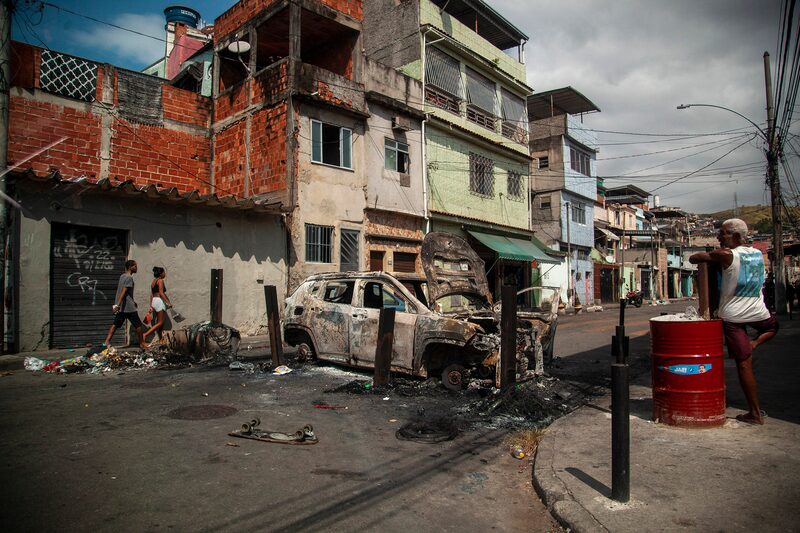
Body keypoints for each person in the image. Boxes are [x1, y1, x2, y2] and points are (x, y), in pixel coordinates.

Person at [689, 218, 778, 425]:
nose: (719, 236)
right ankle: (753, 344)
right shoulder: (757, 252)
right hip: (759, 312)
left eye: (724, 233)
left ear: (736, 237)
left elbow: (695, 258)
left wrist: (708, 256)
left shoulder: (725, 254)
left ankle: (755, 413)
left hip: (733, 317)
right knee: (774, 327)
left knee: (743, 364)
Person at [104, 259, 147, 349]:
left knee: (115, 324)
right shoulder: (129, 278)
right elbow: (124, 291)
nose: (136, 267)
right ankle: (142, 343)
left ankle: (106, 342)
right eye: (135, 266)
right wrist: (117, 305)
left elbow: (125, 292)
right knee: (138, 325)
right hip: (128, 307)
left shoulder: (122, 276)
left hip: (122, 307)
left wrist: (120, 304)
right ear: (130, 267)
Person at [144, 266, 172, 343]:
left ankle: (161, 339)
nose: (165, 273)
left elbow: (151, 294)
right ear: (161, 273)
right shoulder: (160, 281)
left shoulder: (153, 281)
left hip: (154, 301)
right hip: (159, 301)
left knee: (160, 324)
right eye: (164, 272)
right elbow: (161, 293)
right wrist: (168, 302)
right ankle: (145, 334)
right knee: (160, 322)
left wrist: (151, 305)